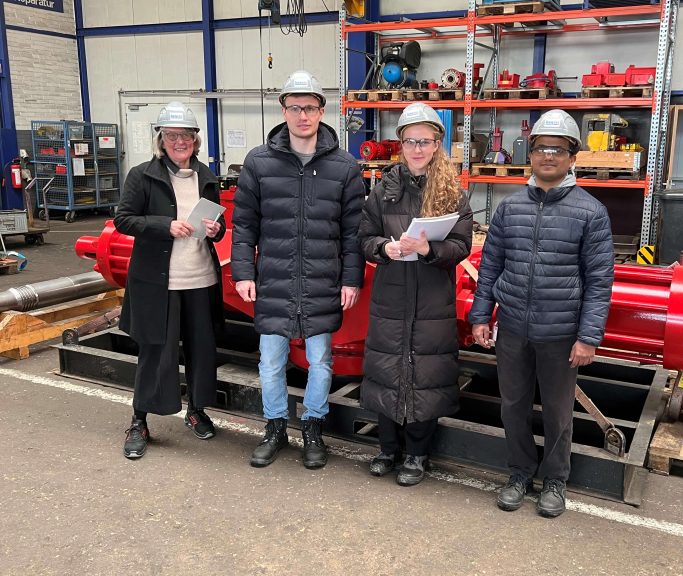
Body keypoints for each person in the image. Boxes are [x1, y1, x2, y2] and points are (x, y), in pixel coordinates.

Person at [469, 109, 614, 517]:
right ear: (529, 154)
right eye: (541, 148)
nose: (548, 155)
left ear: (572, 157)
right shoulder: (509, 209)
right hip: (513, 328)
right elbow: (491, 267)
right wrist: (482, 316)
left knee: (557, 410)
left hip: (561, 332)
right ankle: (519, 474)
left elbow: (600, 281)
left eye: (558, 149)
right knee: (512, 405)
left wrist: (588, 337)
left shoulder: (591, 213)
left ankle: (554, 480)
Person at [231, 70, 365, 470]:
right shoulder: (258, 162)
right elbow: (244, 223)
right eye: (295, 107)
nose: (302, 115)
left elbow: (353, 231)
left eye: (310, 107)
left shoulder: (344, 167)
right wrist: (243, 273)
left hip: (322, 280)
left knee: (321, 361)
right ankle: (274, 428)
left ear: (322, 111)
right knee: (270, 360)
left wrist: (350, 278)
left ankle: (312, 428)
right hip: (274, 278)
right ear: (283, 110)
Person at [358, 102, 473, 487]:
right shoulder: (383, 191)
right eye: (410, 141)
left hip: (430, 300)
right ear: (400, 144)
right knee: (388, 370)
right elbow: (363, 237)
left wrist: (429, 251)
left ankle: (418, 455)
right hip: (391, 296)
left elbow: (461, 246)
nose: (417, 148)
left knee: (426, 373)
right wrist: (383, 249)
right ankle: (387, 450)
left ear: (438, 143)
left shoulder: (452, 195)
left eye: (425, 141)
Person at [115, 101, 226, 459]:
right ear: (161, 140)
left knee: (201, 349)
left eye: (186, 136)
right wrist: (164, 227)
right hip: (159, 283)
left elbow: (218, 228)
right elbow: (124, 219)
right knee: (155, 353)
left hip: (200, 279)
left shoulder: (207, 176)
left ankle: (196, 411)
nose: (180, 142)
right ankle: (139, 420)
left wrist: (216, 229)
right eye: (172, 135)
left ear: (195, 140)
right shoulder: (142, 175)